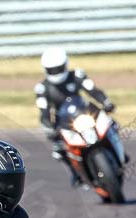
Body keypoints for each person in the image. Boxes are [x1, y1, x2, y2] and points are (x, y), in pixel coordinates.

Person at [35, 47, 116, 186]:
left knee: (111, 125)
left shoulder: (77, 76)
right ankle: (76, 174)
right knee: (59, 150)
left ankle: (118, 154)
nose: (56, 73)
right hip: (64, 123)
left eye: (58, 69)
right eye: (52, 70)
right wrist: (48, 128)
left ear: (65, 65)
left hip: (84, 113)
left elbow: (93, 91)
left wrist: (106, 102)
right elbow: (44, 112)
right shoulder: (43, 88)